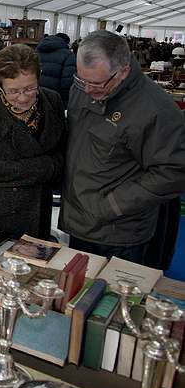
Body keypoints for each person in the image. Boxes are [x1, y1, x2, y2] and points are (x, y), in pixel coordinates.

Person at [59, 30, 185, 266]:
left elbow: (173, 172)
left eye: (96, 84)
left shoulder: (157, 109)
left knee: (114, 300)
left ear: (123, 71)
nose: (87, 90)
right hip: (79, 222)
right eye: (81, 79)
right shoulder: (84, 87)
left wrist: (111, 206)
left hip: (121, 233)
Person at [0, 44, 66, 239]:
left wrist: (52, 166)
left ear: (39, 77)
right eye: (13, 91)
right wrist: (44, 167)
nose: (23, 97)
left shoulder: (53, 101)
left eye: (30, 88)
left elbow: (62, 152)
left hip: (37, 209)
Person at [36, 32, 76, 108]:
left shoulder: (37, 51)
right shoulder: (68, 55)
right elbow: (67, 82)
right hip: (55, 100)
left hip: (36, 95)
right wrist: (65, 103)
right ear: (66, 42)